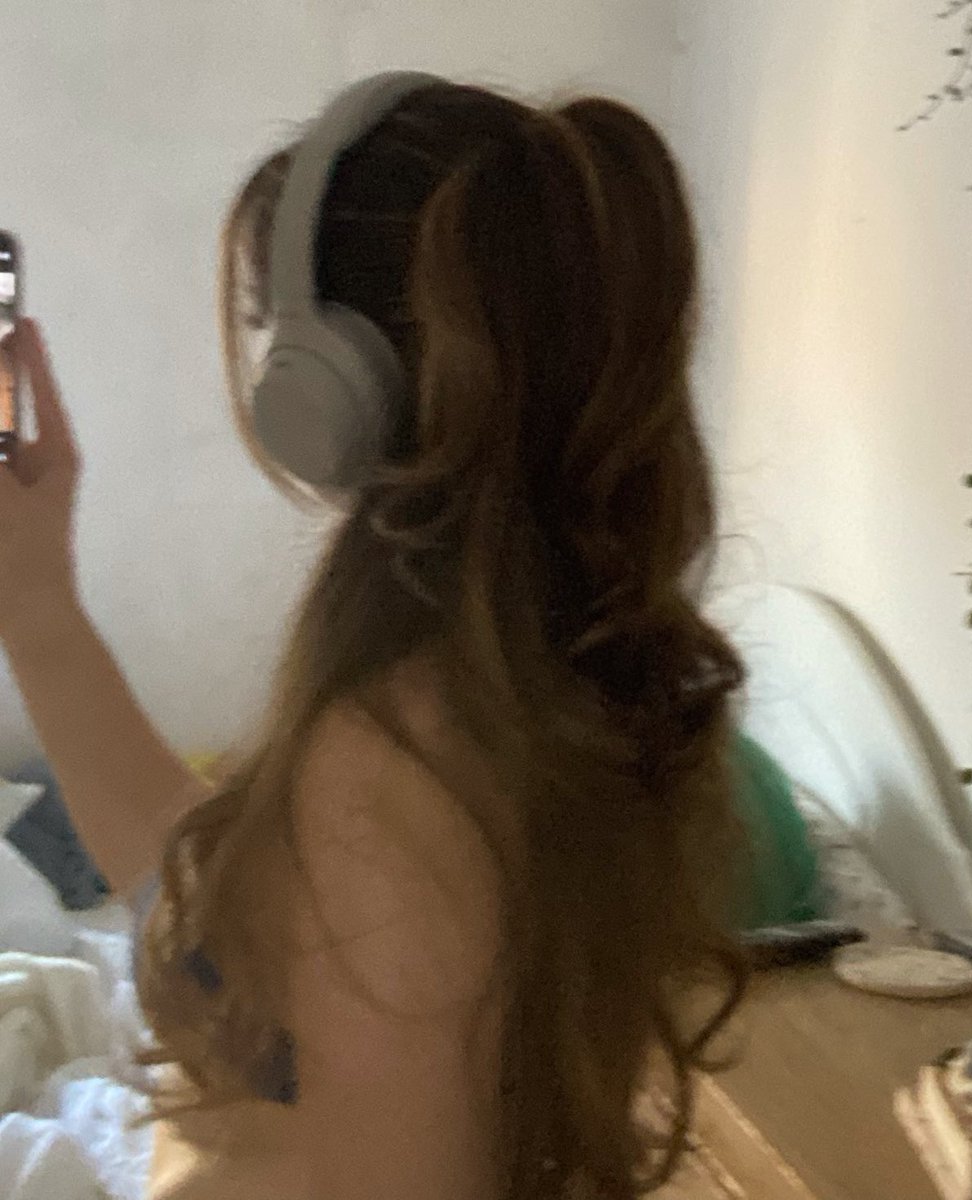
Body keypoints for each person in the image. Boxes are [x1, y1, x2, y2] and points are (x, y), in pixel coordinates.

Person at [0, 73, 747, 1200]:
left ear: (334, 378)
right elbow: (207, 914)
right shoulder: (480, 694)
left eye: (269, 324)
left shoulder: (395, 770)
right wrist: (35, 603)